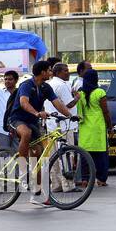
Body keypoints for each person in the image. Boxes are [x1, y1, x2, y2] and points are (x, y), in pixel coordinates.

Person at [8, 59, 75, 205]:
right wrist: (37, 113)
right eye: (49, 70)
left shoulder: (45, 87)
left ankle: (36, 194)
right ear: (43, 72)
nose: (51, 72)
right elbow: (24, 103)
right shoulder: (27, 85)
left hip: (33, 122)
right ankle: (22, 170)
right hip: (17, 119)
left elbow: (57, 103)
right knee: (25, 134)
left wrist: (71, 116)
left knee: (38, 158)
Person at [74, 68, 112, 187]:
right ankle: (101, 179)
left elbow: (78, 111)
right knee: (101, 155)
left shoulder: (80, 93)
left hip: (85, 127)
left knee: (85, 154)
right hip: (98, 127)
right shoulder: (100, 92)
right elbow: (105, 112)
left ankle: (85, 179)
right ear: (96, 79)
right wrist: (110, 126)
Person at [45, 62, 79, 193]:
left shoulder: (49, 84)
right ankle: (68, 185)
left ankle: (56, 185)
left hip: (51, 125)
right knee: (67, 155)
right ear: (58, 72)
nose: (68, 73)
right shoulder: (61, 85)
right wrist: (77, 97)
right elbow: (69, 104)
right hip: (64, 125)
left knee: (54, 156)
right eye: (65, 71)